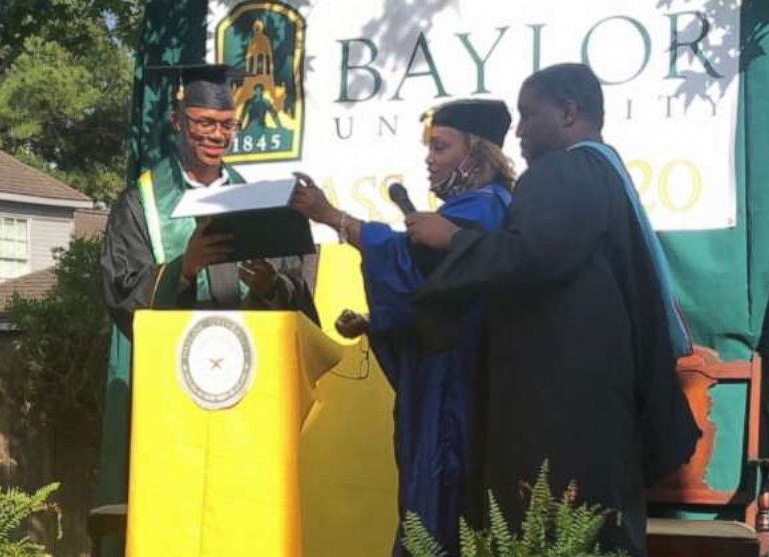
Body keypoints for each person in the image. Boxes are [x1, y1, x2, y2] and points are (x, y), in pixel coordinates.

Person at [406, 64, 700, 556]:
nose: (518, 130)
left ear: (568, 112)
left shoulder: (566, 169)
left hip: (560, 409)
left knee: (553, 528)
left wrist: (452, 237)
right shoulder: (603, 171)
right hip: (594, 403)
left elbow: (533, 256)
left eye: (528, 115)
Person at [96, 64, 318, 550]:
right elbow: (119, 292)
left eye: (225, 125)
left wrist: (268, 284)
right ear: (178, 122)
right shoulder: (142, 204)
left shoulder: (256, 199)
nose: (216, 136)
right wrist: (183, 268)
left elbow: (296, 288)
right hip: (172, 395)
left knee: (241, 507)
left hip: (248, 390)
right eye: (203, 123)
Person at [292, 99, 516, 556]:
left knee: (441, 510)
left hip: (456, 394)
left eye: (441, 147)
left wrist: (332, 216)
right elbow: (437, 296)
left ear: (476, 154)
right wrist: (378, 325)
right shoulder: (480, 206)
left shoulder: (487, 207)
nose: (429, 160)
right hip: (451, 382)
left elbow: (414, 264)